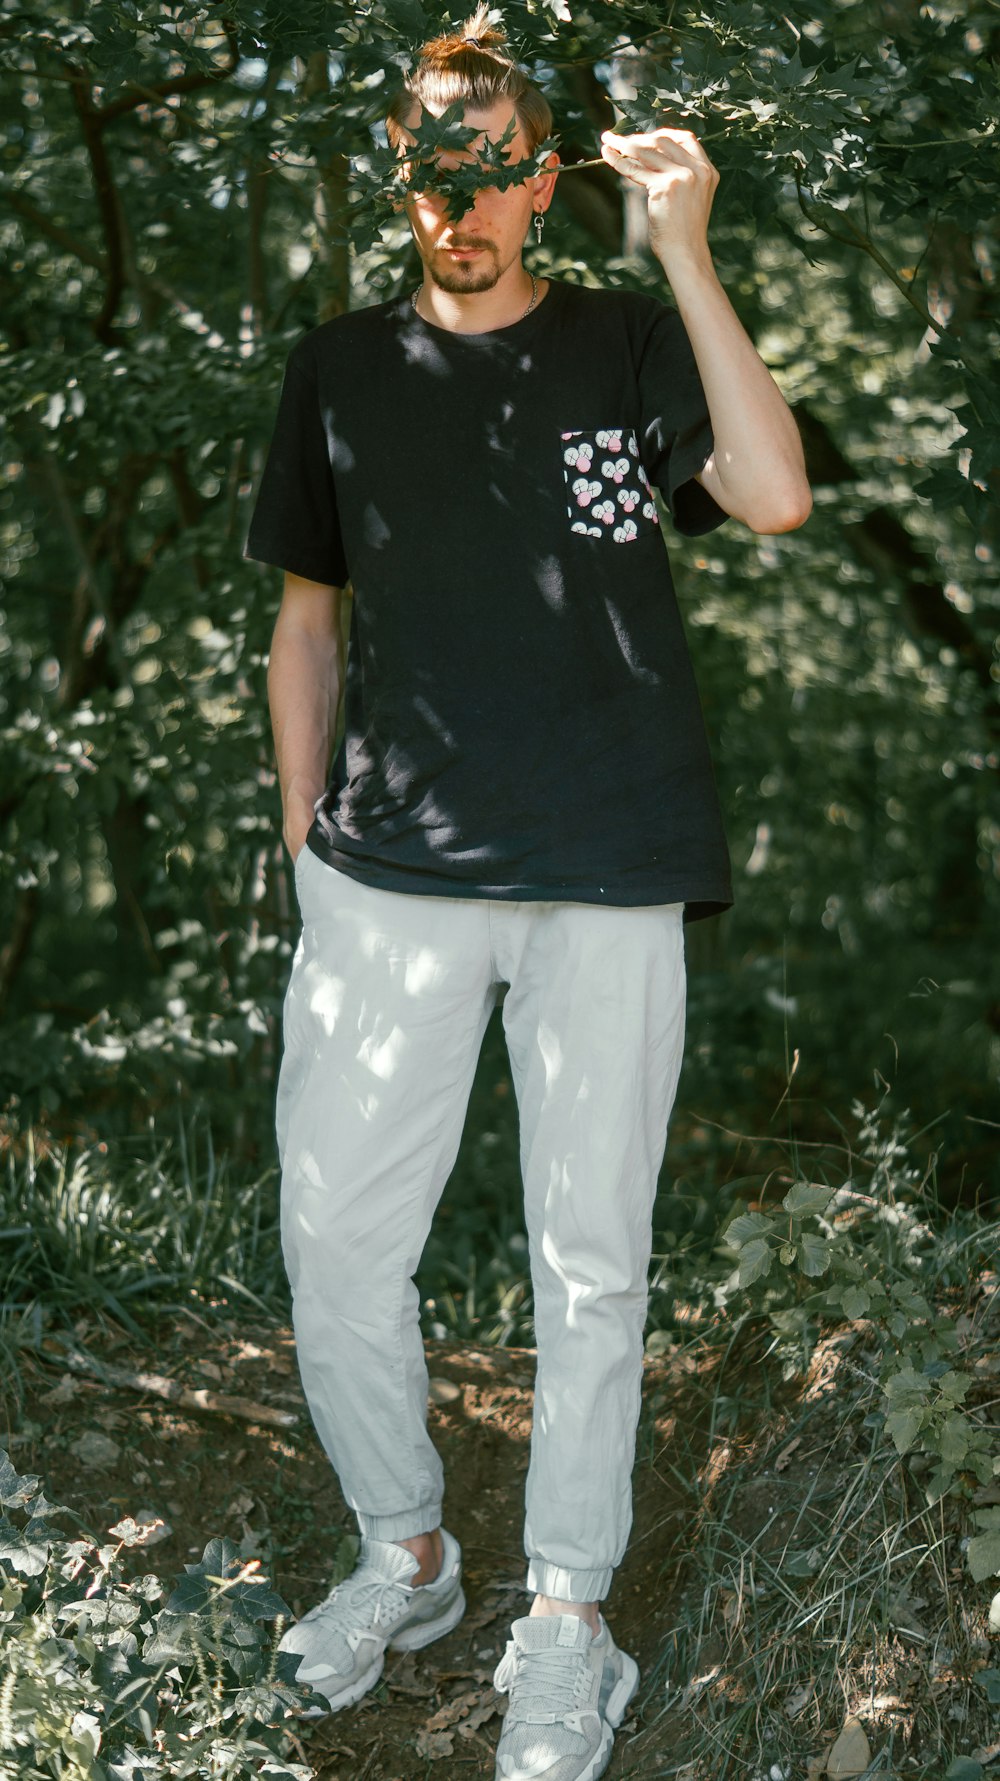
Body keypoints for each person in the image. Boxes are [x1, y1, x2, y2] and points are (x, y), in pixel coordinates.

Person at [245, 8, 811, 1778]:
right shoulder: (339, 368)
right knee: (336, 1244)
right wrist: (305, 845)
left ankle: (568, 1617)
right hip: (386, 879)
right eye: (432, 162)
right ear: (401, 175)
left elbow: (775, 495)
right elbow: (306, 625)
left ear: (543, 178)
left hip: (609, 866)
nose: (460, 197)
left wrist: (692, 254)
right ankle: (407, 1555)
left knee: (592, 1262)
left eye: (492, 165)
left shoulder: (633, 344)